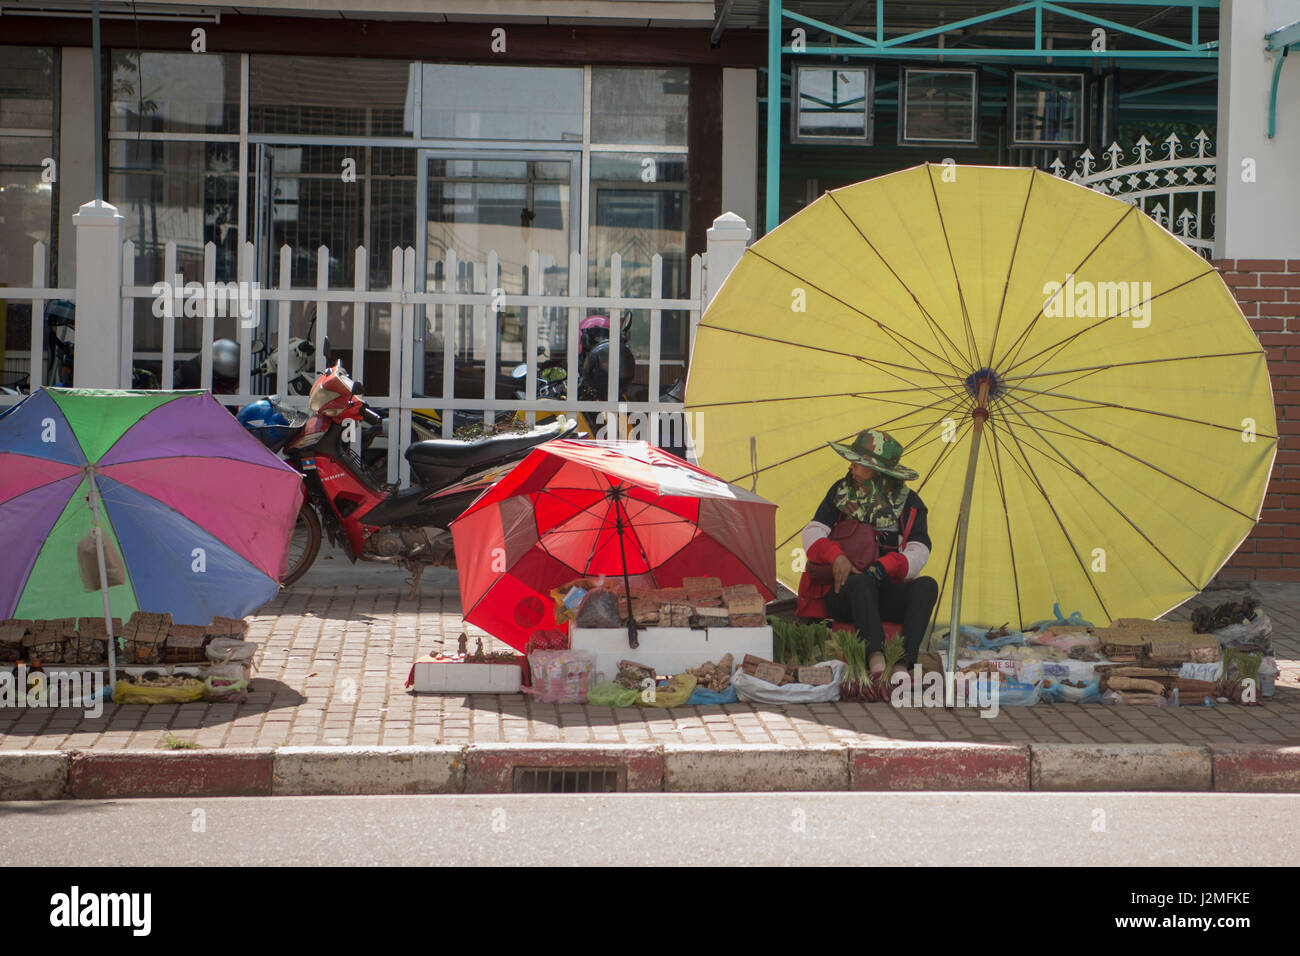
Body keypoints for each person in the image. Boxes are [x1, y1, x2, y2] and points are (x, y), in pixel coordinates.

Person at [796, 428, 939, 687]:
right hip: (845, 593)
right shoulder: (840, 493)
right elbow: (813, 532)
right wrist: (836, 556)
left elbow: (920, 549)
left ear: (880, 471)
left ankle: (901, 663)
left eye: (860, 463)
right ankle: (875, 658)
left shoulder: (911, 503)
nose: (851, 466)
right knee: (860, 583)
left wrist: (887, 565)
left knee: (927, 586)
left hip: (887, 590)